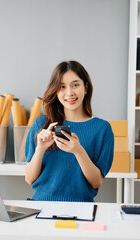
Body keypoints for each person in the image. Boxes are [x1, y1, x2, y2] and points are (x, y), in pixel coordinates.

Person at [25, 60, 114, 202]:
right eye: (62, 87)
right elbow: (29, 179)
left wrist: (78, 151)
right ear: (56, 91)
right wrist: (40, 148)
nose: (69, 93)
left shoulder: (102, 129)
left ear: (85, 87)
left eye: (75, 85)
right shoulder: (41, 125)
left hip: (81, 208)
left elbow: (96, 182)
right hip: (41, 206)